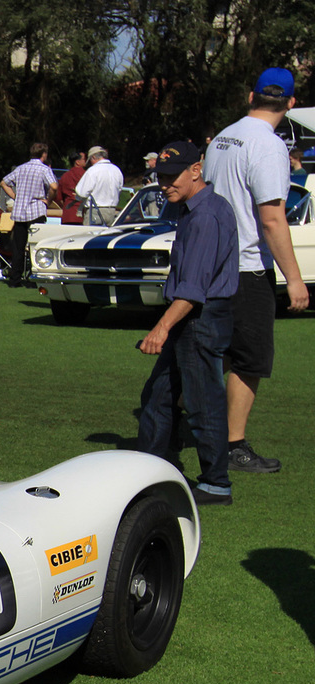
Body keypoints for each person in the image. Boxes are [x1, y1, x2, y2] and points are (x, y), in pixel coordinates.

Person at [203, 66, 309, 473]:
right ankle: (233, 445)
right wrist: (295, 280)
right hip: (247, 266)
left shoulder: (223, 139)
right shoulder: (268, 145)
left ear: (251, 97)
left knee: (213, 353)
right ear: (291, 103)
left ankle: (186, 425)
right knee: (250, 359)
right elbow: (272, 218)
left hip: (214, 262)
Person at [135, 142, 239, 506]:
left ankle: (215, 483)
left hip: (198, 319)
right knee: (158, 397)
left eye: (171, 176)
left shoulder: (205, 216)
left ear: (196, 170)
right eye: (161, 177)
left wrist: (161, 328)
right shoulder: (199, 209)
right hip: (196, 318)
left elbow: (193, 291)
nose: (164, 184)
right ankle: (149, 472)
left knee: (202, 402)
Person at [0, 142, 57, 286]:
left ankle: (15, 279)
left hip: (20, 211)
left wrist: (15, 196)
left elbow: (3, 182)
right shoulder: (44, 169)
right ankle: (33, 277)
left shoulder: (21, 168)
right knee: (36, 245)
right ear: (44, 154)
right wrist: (48, 200)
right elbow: (54, 186)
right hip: (36, 209)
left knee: (18, 247)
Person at [75, 146, 123, 224]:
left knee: (89, 235)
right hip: (112, 211)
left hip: (95, 211)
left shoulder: (93, 170)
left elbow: (82, 193)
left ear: (93, 157)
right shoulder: (117, 170)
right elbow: (119, 189)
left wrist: (77, 197)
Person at [55, 151, 87, 224]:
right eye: (84, 159)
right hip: (81, 214)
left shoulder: (64, 176)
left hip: (67, 214)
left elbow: (59, 198)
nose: (86, 161)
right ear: (77, 162)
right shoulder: (86, 175)